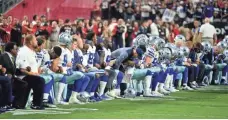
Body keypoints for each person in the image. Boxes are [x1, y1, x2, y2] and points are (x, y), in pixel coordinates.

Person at [16, 34, 45, 110]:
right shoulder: (24, 51)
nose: (36, 41)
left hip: (30, 76)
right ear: (30, 42)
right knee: (39, 80)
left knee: (39, 79)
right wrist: (34, 74)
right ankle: (36, 104)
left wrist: (36, 73)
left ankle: (35, 103)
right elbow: (22, 69)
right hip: (23, 77)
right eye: (35, 40)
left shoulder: (31, 51)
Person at [0, 42, 28, 109]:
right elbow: (2, 68)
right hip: (5, 77)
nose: (17, 51)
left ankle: (17, 104)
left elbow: (13, 70)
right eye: (16, 49)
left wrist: (23, 70)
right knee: (8, 81)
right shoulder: (3, 56)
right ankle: (5, 103)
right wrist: (5, 73)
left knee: (23, 84)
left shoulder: (12, 57)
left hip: (11, 77)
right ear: (11, 50)